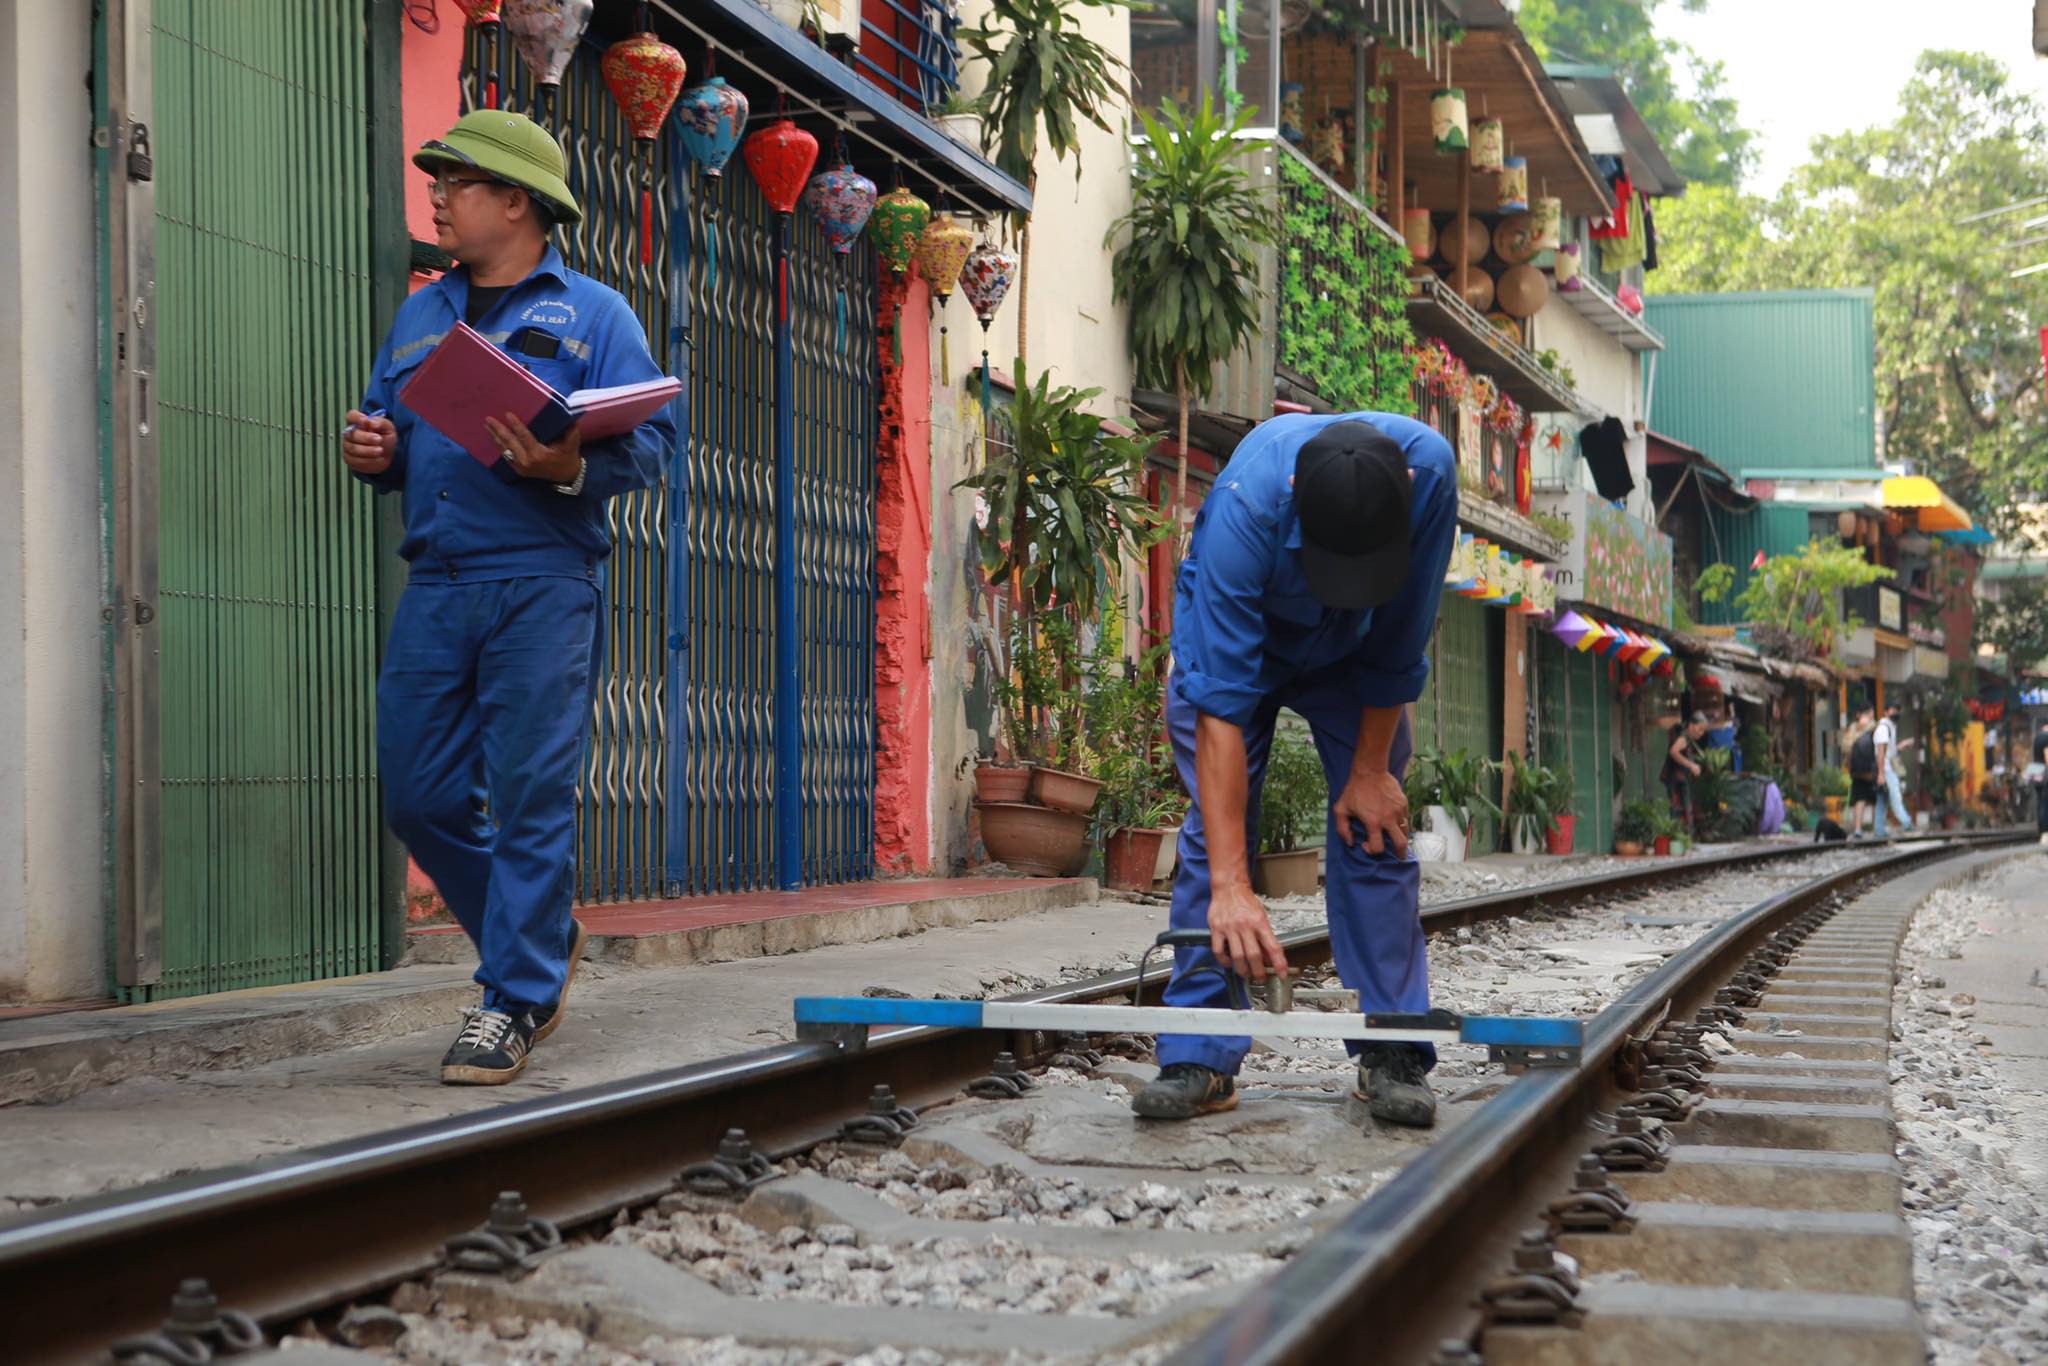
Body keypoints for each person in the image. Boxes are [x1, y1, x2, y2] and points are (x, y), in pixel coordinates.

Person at [342, 111, 676, 1084]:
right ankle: (539, 935)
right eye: (436, 179)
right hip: (439, 579)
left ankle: (514, 995)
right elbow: (391, 428)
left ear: (516, 201)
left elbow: (651, 444)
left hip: (542, 579)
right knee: (419, 790)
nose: (437, 197)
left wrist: (570, 462)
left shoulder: (597, 315)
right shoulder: (421, 314)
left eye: (456, 181)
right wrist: (376, 454)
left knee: (531, 792)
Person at [1129, 414, 1457, 1128]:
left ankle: (1392, 1044)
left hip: (1355, 657)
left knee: (1375, 823)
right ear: (1298, 504)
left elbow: (1399, 643)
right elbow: (1219, 707)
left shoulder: (1428, 477)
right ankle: (1200, 1052)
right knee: (1216, 842)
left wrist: (1371, 769)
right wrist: (1233, 887)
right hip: (1244, 645)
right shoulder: (1246, 512)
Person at [1662, 712, 1709, 831]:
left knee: (1683, 809)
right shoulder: (1683, 737)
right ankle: (1677, 837)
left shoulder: (1688, 738)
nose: (1701, 733)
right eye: (1700, 729)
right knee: (1677, 809)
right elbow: (1673, 752)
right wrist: (1692, 765)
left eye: (1703, 730)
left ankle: (1683, 837)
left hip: (1681, 779)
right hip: (1675, 779)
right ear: (1692, 725)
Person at [1872, 702, 1908, 837]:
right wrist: (1881, 774)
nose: (1897, 713)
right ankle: (1908, 824)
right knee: (1895, 797)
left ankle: (1879, 830)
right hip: (1886, 770)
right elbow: (1880, 753)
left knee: (1882, 800)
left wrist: (1900, 746)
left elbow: (1889, 752)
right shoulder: (1884, 728)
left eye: (1898, 710)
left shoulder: (1891, 727)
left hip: (1888, 768)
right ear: (1886, 711)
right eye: (1894, 710)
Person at [1846, 707, 1879, 838]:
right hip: (1871, 770)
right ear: (1871, 712)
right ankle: (1877, 828)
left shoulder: (1852, 728)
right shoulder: (1874, 726)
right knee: (1877, 799)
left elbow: (1846, 749)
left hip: (1856, 771)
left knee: (1859, 799)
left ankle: (1858, 829)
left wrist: (1850, 768)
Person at [2032, 718, 2048, 847]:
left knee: (2040, 801)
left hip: (2036, 773)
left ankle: (2041, 830)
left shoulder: (2037, 737)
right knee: (2045, 802)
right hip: (2045, 774)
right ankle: (2045, 831)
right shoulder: (2046, 738)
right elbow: (2047, 756)